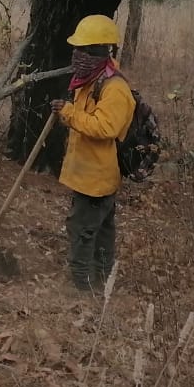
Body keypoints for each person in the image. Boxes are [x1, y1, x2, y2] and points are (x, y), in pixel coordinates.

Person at [49, 15, 136, 292]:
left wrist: (68, 113)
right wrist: (68, 110)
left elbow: (104, 127)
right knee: (100, 232)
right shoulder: (90, 80)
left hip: (98, 179)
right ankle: (101, 281)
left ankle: (81, 288)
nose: (78, 55)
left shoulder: (115, 88)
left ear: (101, 51)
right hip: (88, 174)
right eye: (77, 49)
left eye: (84, 50)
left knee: (83, 230)